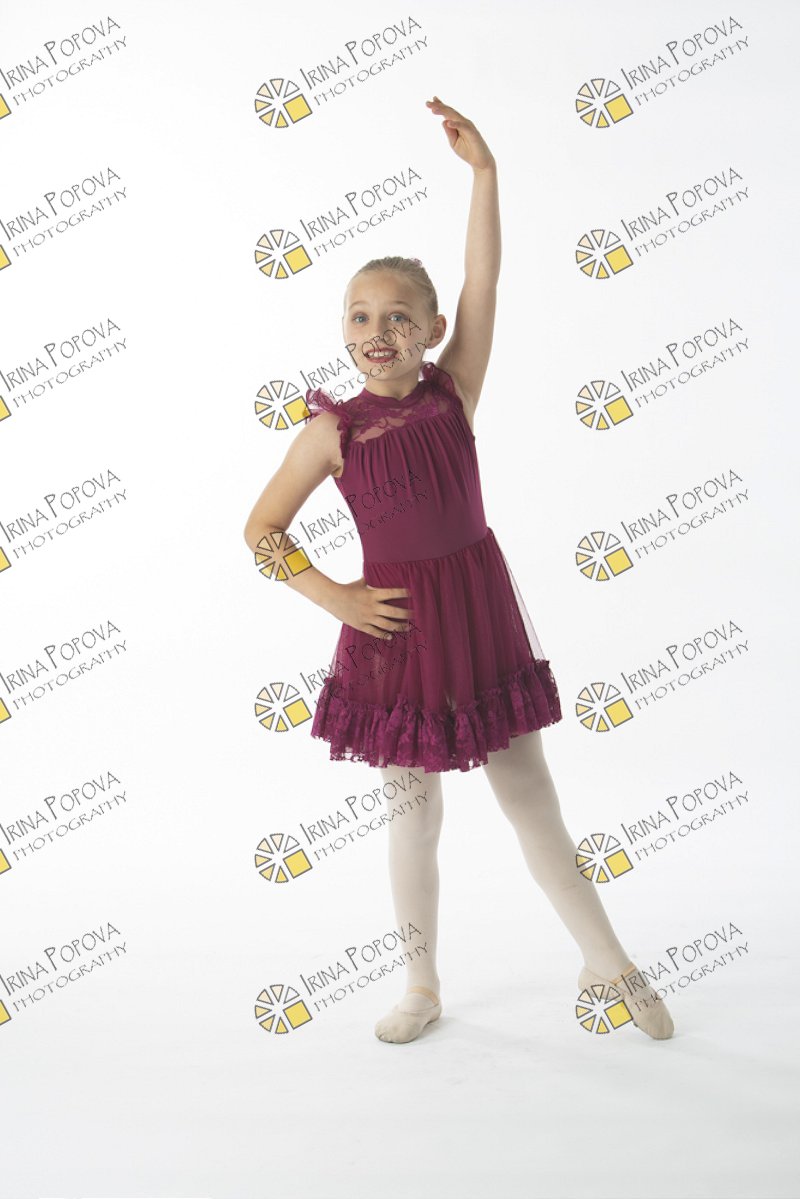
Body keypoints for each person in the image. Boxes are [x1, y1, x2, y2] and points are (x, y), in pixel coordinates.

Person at [243, 96, 674, 1046]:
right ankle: (420, 983)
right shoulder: (331, 431)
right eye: (360, 315)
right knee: (413, 816)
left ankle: (608, 958)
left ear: (433, 329)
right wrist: (336, 596)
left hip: (478, 619)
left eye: (399, 316)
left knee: (532, 799)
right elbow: (262, 530)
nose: (378, 330)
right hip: (395, 633)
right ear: (343, 327)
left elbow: (485, 277)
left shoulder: (453, 393)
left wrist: (485, 174)